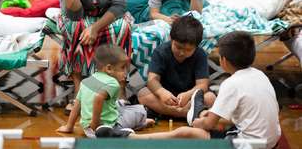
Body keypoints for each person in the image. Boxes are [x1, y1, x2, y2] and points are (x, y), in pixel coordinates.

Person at [97, 31, 281, 149]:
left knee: (185, 133)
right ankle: (195, 113)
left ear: (223, 60)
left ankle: (129, 139)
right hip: (270, 141)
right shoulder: (259, 75)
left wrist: (200, 121)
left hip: (249, 144)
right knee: (203, 114)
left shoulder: (231, 83)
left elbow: (210, 125)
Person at [57, 44, 154, 137]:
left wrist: (69, 127)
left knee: (120, 103)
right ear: (109, 69)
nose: (125, 72)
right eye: (122, 68)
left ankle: (138, 123)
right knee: (140, 111)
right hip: (104, 127)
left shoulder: (85, 82)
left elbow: (77, 105)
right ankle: (139, 123)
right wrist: (95, 124)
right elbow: (98, 98)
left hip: (87, 129)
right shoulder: (112, 83)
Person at [137, 15, 216, 119]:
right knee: (142, 94)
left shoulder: (200, 54)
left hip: (189, 99)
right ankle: (185, 114)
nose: (182, 53)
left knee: (210, 98)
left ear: (196, 46)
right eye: (178, 47)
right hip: (166, 98)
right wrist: (162, 93)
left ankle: (172, 113)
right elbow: (152, 80)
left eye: (188, 50)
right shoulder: (161, 51)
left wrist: (188, 94)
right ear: (171, 38)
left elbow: (202, 85)